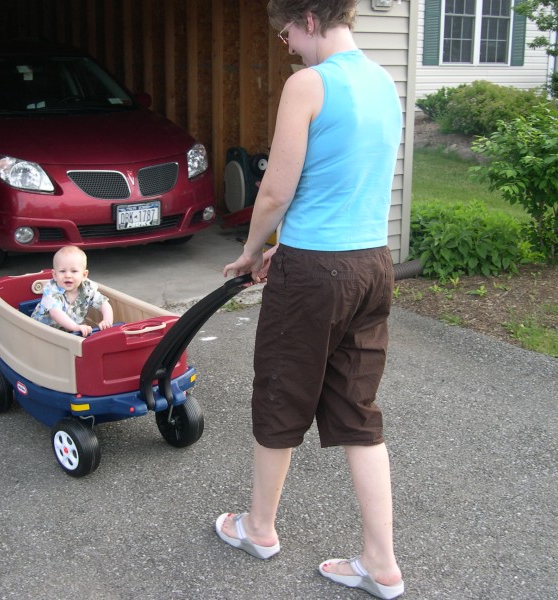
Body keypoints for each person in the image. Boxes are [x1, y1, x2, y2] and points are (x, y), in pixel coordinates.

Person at [215, 1, 404, 598]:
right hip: (371, 265)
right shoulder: (383, 81)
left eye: (288, 33)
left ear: (312, 20)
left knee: (280, 391)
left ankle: (259, 529)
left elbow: (275, 190)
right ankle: (382, 563)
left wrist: (251, 251)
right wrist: (287, 249)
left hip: (314, 274)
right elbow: (344, 183)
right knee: (357, 411)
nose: (288, 45)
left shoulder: (308, 84)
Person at [31, 245, 113, 336]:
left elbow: (103, 303)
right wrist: (75, 327)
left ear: (84, 275)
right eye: (62, 271)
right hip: (44, 332)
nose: (68, 275)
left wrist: (107, 320)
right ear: (54, 275)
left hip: (71, 331)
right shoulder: (51, 290)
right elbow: (55, 313)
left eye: (74, 271)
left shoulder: (87, 288)